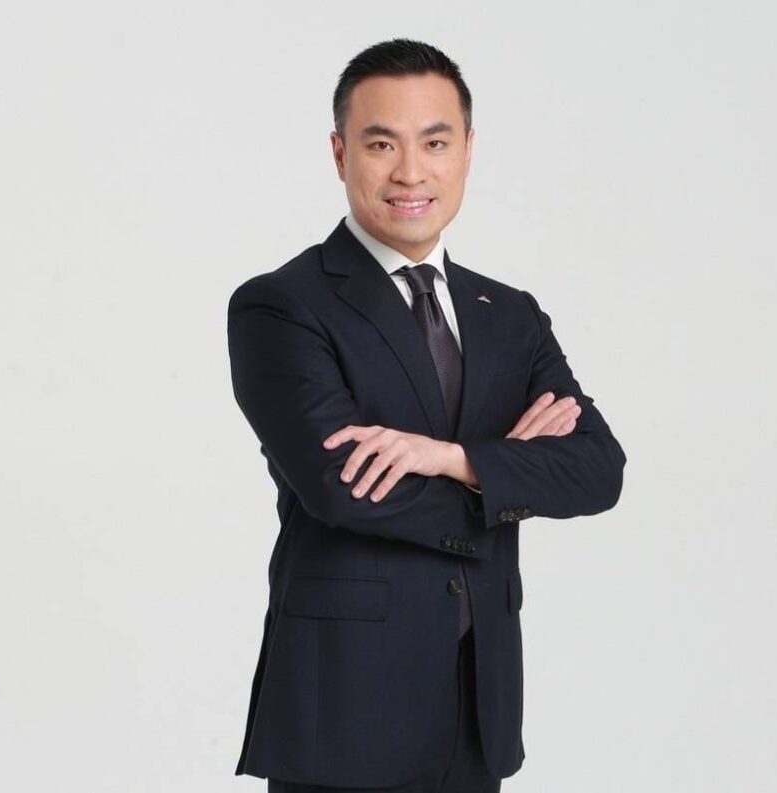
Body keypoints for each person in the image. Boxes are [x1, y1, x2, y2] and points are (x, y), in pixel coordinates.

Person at [227, 38, 626, 793]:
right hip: (345, 712)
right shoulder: (282, 306)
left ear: (468, 152)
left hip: (478, 709)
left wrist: (454, 459)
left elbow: (598, 470)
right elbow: (345, 488)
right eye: (382, 144)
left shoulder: (509, 314)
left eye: (435, 143)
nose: (410, 172)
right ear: (340, 153)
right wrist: (508, 473)